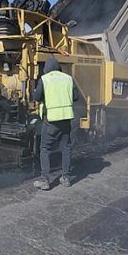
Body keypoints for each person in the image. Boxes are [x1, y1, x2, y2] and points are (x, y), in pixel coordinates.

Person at [32, 57, 78, 190]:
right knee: (66, 148)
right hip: (66, 120)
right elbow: (76, 97)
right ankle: (66, 178)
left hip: (51, 121)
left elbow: (36, 97)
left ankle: (45, 180)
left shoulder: (45, 79)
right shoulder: (68, 78)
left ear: (46, 68)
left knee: (45, 149)